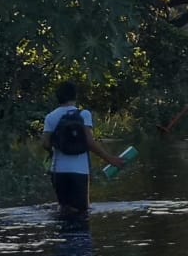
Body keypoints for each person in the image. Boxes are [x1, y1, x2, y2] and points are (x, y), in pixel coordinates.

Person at [42, 81, 126, 220]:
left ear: (58, 97)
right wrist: (110, 159)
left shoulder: (51, 117)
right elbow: (89, 143)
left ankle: (63, 240)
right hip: (79, 171)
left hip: (58, 171)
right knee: (81, 213)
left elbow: (45, 143)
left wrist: (54, 149)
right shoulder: (84, 114)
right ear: (75, 96)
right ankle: (80, 240)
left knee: (64, 210)